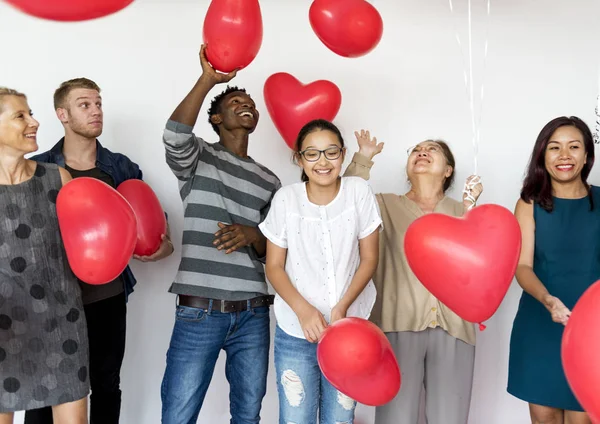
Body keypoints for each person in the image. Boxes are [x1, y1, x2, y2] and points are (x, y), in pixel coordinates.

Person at [24, 78, 174, 424]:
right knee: (45, 387)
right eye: (84, 104)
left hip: (106, 298)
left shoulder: (121, 168)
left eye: (98, 103)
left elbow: (155, 229)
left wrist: (160, 247)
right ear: (62, 114)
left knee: (106, 384)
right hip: (52, 302)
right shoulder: (39, 169)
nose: (95, 111)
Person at [160, 44, 281, 424]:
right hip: (200, 311)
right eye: (236, 102)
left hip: (254, 313)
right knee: (179, 415)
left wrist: (253, 235)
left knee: (248, 414)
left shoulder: (269, 180)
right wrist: (208, 79)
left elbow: (276, 249)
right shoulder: (199, 157)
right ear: (215, 118)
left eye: (251, 103)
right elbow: (174, 135)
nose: (247, 105)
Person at [344, 131, 483, 424]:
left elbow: (478, 268)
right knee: (396, 417)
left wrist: (472, 211)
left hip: (455, 328)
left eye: (432, 149)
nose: (422, 152)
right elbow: (345, 199)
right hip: (396, 326)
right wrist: (363, 157)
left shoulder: (464, 210)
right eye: (416, 150)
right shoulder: (383, 205)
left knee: (451, 418)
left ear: (448, 170)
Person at [260, 119, 382, 423]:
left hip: (349, 331)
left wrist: (342, 307)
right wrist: (303, 312)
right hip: (295, 331)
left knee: (340, 418)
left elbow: (369, 259)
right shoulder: (286, 199)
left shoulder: (358, 192)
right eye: (312, 154)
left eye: (331, 152)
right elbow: (274, 267)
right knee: (296, 417)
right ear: (299, 158)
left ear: (342, 154)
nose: (323, 162)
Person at [0, 88, 88, 423]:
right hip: (4, 330)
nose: (34, 122)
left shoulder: (57, 178)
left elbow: (85, 247)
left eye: (31, 113)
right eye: (20, 115)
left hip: (61, 324)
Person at [508, 116, 596, 424]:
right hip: (540, 323)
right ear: (542, 156)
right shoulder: (529, 202)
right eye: (554, 148)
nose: (564, 156)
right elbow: (522, 266)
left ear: (587, 156)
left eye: (574, 147)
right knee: (544, 417)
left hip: (591, 329)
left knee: (581, 417)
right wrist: (547, 300)